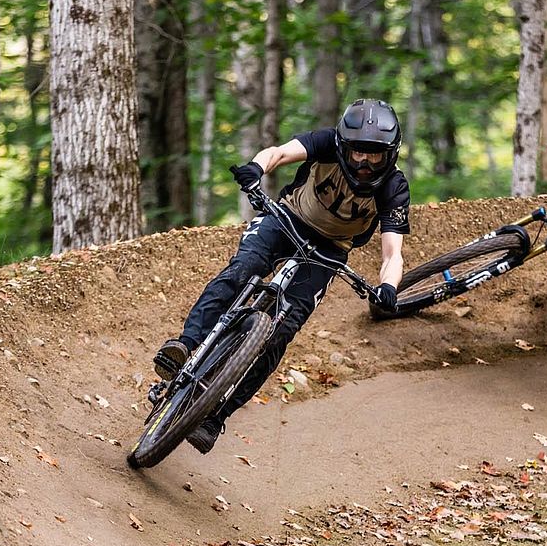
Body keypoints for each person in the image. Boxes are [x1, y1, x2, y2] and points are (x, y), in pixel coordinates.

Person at [153, 98, 410, 453]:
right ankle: (184, 345)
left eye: (374, 155)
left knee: (281, 332)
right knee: (243, 270)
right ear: (343, 145)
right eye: (357, 152)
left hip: (331, 250)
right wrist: (256, 169)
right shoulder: (325, 142)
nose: (364, 163)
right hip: (285, 219)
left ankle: (215, 417)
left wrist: (388, 287)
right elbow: (279, 152)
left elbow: (392, 252)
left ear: (389, 154)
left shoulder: (394, 187)